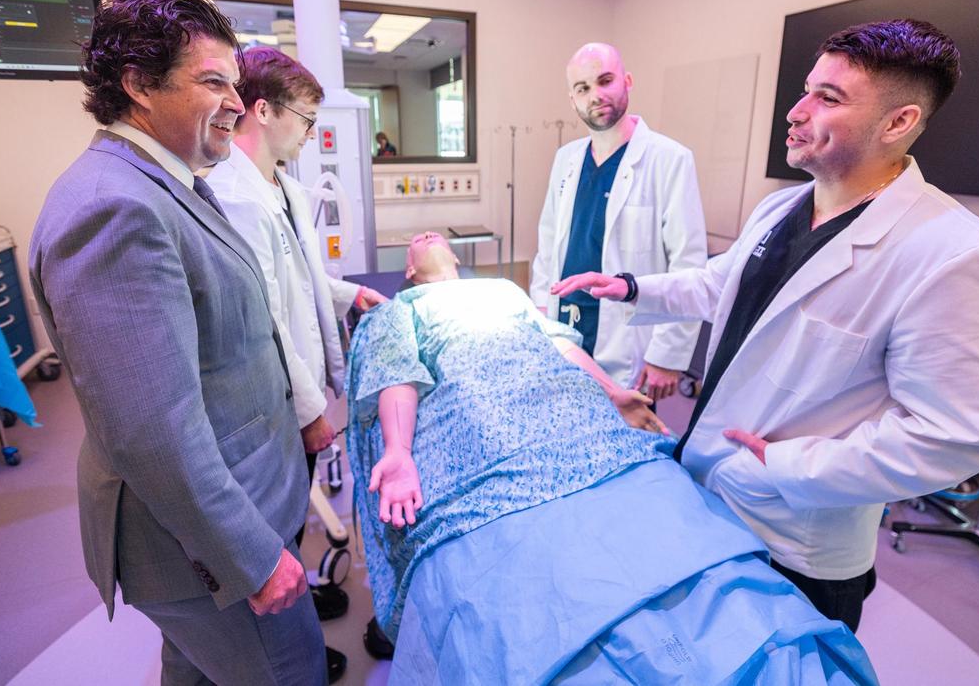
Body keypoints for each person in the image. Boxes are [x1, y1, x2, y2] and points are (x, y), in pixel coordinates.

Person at [552, 19, 979, 633]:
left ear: (898, 122)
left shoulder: (955, 254)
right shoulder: (782, 208)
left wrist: (786, 468)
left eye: (828, 98)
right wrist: (630, 287)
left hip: (796, 539)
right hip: (708, 488)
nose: (796, 112)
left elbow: (960, 435)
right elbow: (720, 285)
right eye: (806, 91)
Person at [343, 234, 878, 685]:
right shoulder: (399, 310)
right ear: (409, 271)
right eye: (418, 241)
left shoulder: (503, 291)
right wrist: (398, 450)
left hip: (573, 414)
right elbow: (396, 374)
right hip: (478, 424)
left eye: (435, 235)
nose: (428, 237)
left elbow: (559, 345)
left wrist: (612, 392)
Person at [28, 0, 336, 684]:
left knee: (193, 671)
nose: (237, 102)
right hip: (206, 547)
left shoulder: (171, 184)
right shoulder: (115, 209)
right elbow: (152, 431)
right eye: (214, 82)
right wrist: (249, 556)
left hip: (238, 495)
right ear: (140, 84)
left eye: (236, 82)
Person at [208, 47, 386, 622]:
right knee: (276, 510)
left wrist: (349, 294)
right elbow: (268, 318)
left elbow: (301, 276)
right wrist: (311, 413)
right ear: (263, 110)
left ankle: (294, 595)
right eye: (307, 119)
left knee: (291, 499)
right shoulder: (235, 198)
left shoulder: (281, 185)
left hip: (299, 379)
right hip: (273, 396)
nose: (312, 133)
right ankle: (280, 625)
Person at [530, 42, 706, 402]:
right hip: (565, 327)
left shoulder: (669, 160)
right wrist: (541, 311)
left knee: (627, 427)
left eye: (605, 81)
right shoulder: (566, 159)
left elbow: (688, 265)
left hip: (629, 340)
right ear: (573, 100)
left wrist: (667, 355)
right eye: (583, 88)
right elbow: (548, 244)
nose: (595, 95)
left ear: (627, 81)